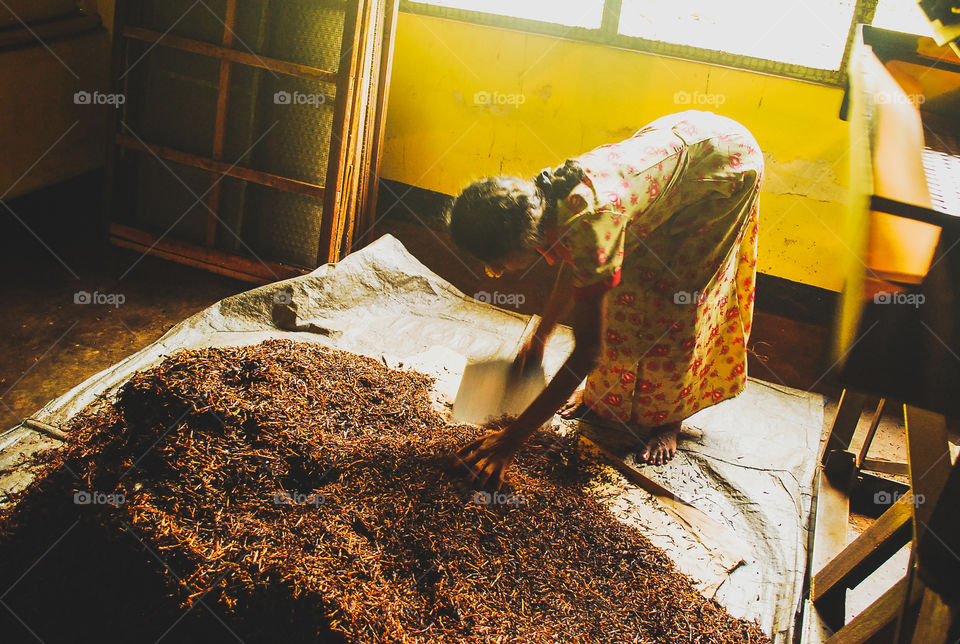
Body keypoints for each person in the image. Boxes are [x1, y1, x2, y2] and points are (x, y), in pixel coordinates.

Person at [447, 110, 763, 489]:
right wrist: (540, 337)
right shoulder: (543, 204)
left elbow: (587, 352)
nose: (492, 270)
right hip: (676, 157)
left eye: (493, 262)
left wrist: (509, 441)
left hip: (723, 168)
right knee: (625, 292)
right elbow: (577, 260)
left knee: (679, 297)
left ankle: (670, 417)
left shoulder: (590, 218)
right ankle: (603, 395)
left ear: (520, 242)